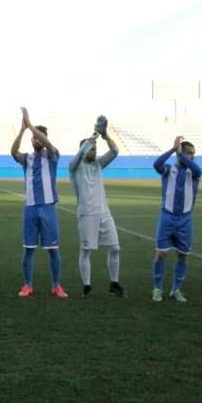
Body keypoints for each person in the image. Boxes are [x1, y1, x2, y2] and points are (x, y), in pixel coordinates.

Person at [10, 106, 65, 298]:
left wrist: (31, 125)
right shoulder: (27, 158)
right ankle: (27, 285)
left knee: (53, 249)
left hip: (48, 208)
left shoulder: (52, 155)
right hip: (31, 208)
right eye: (33, 138)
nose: (36, 140)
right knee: (29, 249)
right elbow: (13, 151)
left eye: (39, 137)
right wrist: (23, 129)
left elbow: (49, 145)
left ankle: (56, 285)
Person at [68, 115, 125, 297]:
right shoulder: (75, 167)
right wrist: (93, 135)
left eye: (95, 149)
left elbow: (115, 151)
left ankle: (114, 284)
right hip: (87, 214)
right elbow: (77, 158)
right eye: (92, 149)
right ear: (84, 151)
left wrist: (105, 135)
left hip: (104, 212)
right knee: (86, 251)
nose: (95, 151)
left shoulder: (99, 165)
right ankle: (87, 287)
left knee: (115, 248)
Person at [151, 136, 202, 303]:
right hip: (167, 217)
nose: (192, 156)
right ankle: (157, 288)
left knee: (183, 256)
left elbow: (198, 170)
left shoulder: (193, 173)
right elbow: (156, 164)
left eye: (193, 154)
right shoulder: (168, 169)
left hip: (185, 219)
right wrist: (173, 150)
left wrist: (183, 156)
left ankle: (176, 289)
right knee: (162, 255)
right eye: (189, 153)